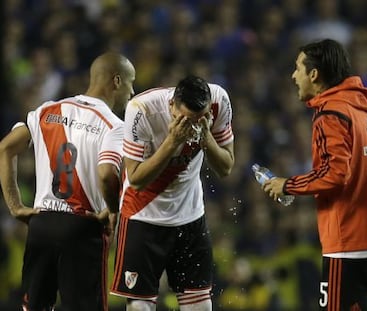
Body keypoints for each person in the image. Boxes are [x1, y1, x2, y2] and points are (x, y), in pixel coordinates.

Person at [262, 39, 367, 310]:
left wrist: (287, 185)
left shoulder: (330, 114)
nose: (294, 76)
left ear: (314, 74)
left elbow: (334, 175)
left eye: (298, 69)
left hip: (348, 242)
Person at [0, 52, 136, 311]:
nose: (132, 92)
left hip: (42, 224)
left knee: (35, 306)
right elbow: (107, 174)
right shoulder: (114, 126)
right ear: (117, 81)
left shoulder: (46, 111)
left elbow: (5, 148)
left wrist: (15, 206)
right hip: (83, 228)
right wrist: (113, 211)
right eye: (131, 83)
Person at [110, 75, 234, 311]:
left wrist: (206, 136)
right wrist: (172, 142)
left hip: (190, 216)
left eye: (201, 118)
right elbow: (135, 179)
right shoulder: (142, 109)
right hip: (143, 215)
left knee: (200, 306)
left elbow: (226, 167)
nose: (193, 125)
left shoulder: (219, 100)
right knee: (140, 307)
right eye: (186, 119)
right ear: (171, 106)